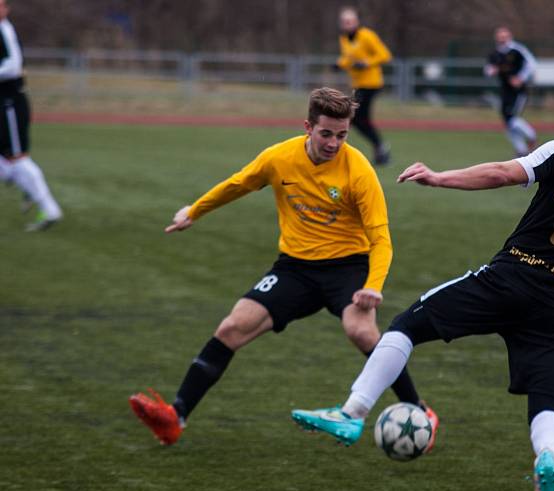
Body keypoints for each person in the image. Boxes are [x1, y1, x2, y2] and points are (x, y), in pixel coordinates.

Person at [292, 91, 554, 491]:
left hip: (509, 280)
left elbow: (499, 172)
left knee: (405, 326)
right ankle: (547, 458)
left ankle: (353, 412)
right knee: (546, 402)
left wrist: (439, 177)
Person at [129, 87, 438, 447]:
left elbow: (381, 238)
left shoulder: (359, 171)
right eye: (326, 133)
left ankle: (419, 412)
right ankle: (175, 417)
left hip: (348, 267)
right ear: (308, 126)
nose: (334, 143)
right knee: (232, 328)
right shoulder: (280, 158)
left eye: (342, 135)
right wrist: (194, 211)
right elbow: (239, 183)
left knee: (362, 332)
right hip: (295, 269)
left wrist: (373, 285)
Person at [0, 0, 62, 231]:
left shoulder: (3, 29)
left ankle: (49, 209)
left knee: (17, 158)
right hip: (4, 102)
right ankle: (26, 184)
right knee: (8, 160)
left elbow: (13, 66)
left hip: (10, 104)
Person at [337, 6, 392, 165]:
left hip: (371, 84)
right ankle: (380, 149)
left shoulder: (367, 36)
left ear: (356, 22)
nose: (347, 24)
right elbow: (348, 59)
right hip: (358, 84)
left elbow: (384, 55)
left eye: (350, 21)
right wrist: (339, 64)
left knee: (356, 117)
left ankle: (380, 147)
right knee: (358, 119)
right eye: (344, 22)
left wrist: (367, 63)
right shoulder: (344, 39)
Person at [484, 26, 538, 157]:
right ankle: (521, 150)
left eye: (504, 36)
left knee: (512, 119)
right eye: (499, 36)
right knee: (508, 122)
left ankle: (531, 136)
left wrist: (521, 77)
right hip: (505, 91)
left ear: (509, 36)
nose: (502, 39)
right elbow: (487, 70)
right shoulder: (495, 53)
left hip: (518, 91)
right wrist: (492, 71)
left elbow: (532, 64)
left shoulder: (517, 50)